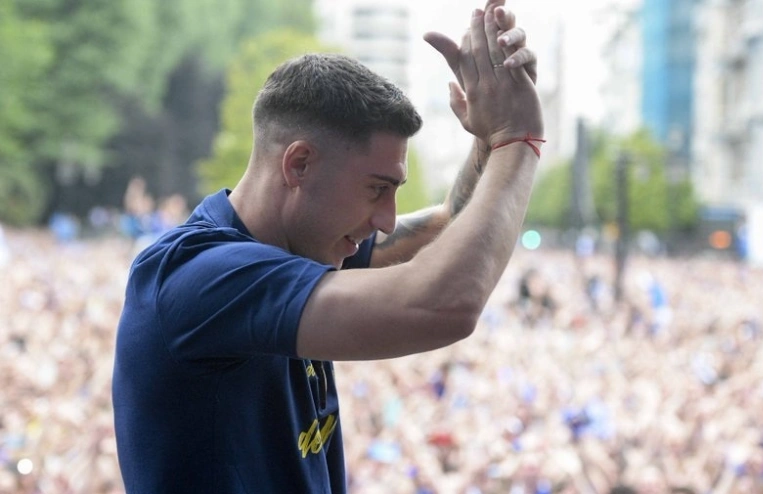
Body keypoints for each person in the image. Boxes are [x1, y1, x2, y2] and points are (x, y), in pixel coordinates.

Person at [111, 0, 544, 492]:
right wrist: (520, 139)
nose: (385, 219)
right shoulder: (196, 276)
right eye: (377, 188)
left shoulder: (305, 247)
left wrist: (489, 137)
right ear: (298, 165)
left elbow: (448, 225)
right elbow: (443, 303)